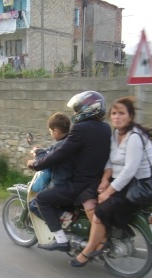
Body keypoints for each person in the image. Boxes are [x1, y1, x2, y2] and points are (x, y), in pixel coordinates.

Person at [70, 95, 152, 267]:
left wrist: (109, 191)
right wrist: (104, 180)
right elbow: (111, 161)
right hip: (118, 180)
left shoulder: (134, 137)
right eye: (114, 113)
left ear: (130, 117)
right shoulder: (116, 134)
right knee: (86, 195)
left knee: (101, 211)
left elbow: (130, 170)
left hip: (135, 185)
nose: (117, 117)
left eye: (122, 113)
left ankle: (89, 250)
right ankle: (99, 235)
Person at [27, 91, 111, 251]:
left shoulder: (81, 129)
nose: (75, 114)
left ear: (88, 109)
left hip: (80, 184)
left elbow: (59, 154)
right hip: (97, 181)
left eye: (77, 110)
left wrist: (36, 164)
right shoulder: (105, 128)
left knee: (42, 199)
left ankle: (61, 240)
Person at [29, 112, 74, 223]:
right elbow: (51, 153)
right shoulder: (70, 141)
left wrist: (37, 156)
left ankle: (63, 217)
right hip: (72, 183)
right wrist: (41, 150)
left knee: (34, 204)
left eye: (50, 131)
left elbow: (47, 160)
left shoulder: (60, 145)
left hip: (60, 184)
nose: (51, 133)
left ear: (56, 132)